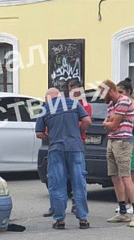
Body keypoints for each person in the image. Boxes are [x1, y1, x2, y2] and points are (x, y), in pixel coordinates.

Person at [35, 88, 92, 229]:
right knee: (79, 182)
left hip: (56, 149)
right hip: (75, 148)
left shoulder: (45, 108)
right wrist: (79, 132)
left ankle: (60, 220)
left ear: (48, 98)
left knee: (57, 184)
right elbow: (87, 120)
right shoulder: (73, 103)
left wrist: (50, 137)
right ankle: (83, 219)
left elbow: (39, 133)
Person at [100, 79, 134, 227]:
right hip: (112, 141)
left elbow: (113, 123)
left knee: (126, 176)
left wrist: (108, 124)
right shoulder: (111, 104)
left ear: (110, 90)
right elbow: (108, 124)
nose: (101, 96)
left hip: (123, 141)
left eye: (102, 92)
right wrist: (108, 124)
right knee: (115, 176)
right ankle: (122, 211)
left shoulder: (124, 101)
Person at [115, 78, 134, 214]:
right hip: (121, 139)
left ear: (129, 92)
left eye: (121, 92)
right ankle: (125, 203)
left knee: (132, 174)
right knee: (122, 174)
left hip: (131, 140)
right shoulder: (119, 104)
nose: (119, 95)